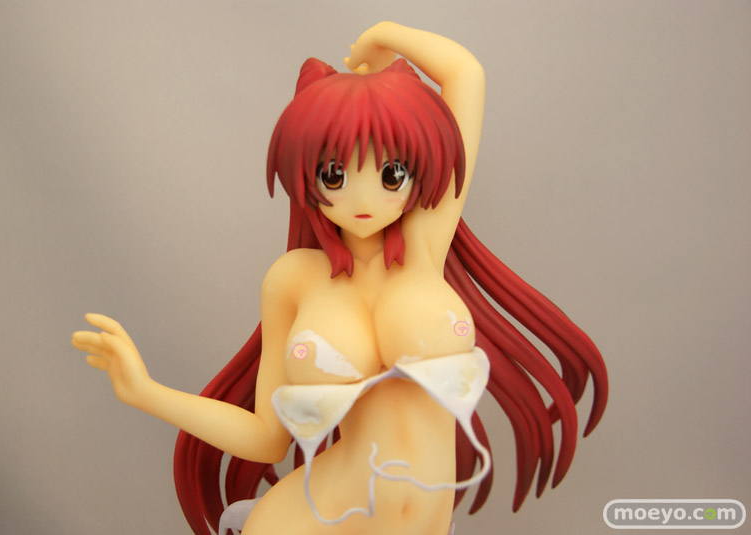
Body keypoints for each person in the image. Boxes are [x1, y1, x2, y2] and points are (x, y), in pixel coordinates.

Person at [72, 22, 607, 535]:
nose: (364, 198)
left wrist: (383, 34)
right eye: (335, 174)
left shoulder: (423, 244)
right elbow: (267, 438)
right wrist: (147, 393)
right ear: (306, 174)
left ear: (418, 168)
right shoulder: (293, 279)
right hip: (316, 517)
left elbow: (465, 74)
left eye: (391, 173)